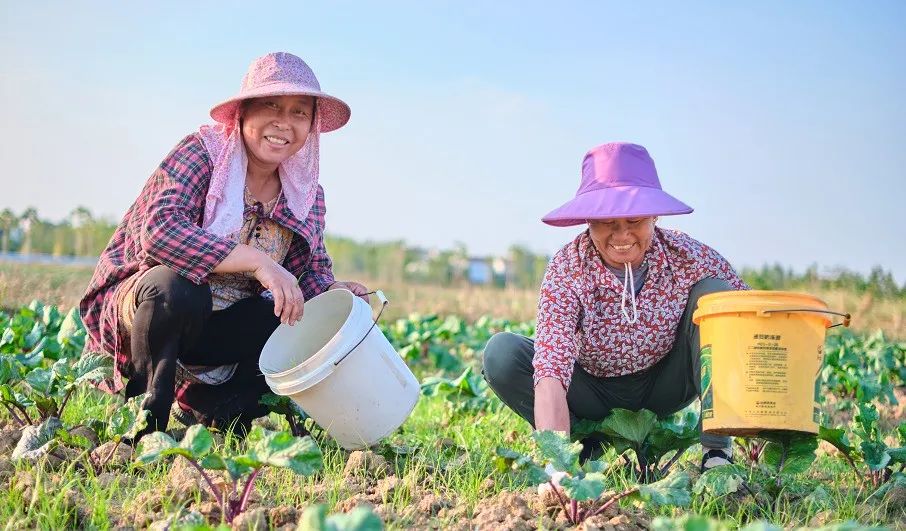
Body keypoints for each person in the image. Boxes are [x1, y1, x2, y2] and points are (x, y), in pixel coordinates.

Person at [79, 52, 367, 437]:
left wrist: (334, 291)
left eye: (299, 112)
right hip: (156, 316)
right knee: (178, 288)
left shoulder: (306, 194)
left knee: (290, 319)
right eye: (271, 105)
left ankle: (217, 408)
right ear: (243, 113)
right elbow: (159, 230)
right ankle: (147, 420)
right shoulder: (203, 155)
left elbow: (307, 273)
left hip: (223, 329)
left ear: (311, 125)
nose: (284, 122)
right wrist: (256, 262)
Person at [482, 142, 748, 472]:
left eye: (634, 220)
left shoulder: (688, 256)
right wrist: (557, 464)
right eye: (607, 222)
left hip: (663, 385)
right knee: (502, 353)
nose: (621, 234)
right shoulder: (568, 268)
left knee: (717, 296)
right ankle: (583, 447)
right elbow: (552, 363)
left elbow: (749, 321)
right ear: (588, 221)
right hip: (593, 392)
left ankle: (717, 454)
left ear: (654, 217)